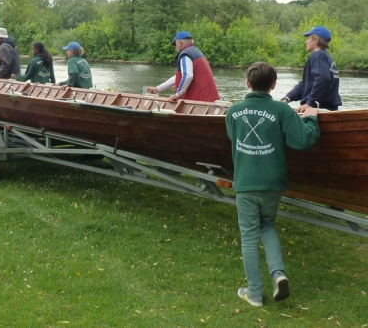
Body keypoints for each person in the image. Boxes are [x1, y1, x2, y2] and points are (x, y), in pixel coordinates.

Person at [226, 62, 320, 308]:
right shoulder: (282, 110)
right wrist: (312, 119)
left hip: (246, 182)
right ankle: (278, 274)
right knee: (267, 226)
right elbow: (302, 141)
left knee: (248, 236)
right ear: (274, 84)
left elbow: (234, 138)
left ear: (247, 83)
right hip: (273, 182)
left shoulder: (233, 111)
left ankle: (255, 294)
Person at [146, 31, 220, 102]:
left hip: (200, 101)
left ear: (179, 43)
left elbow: (188, 76)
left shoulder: (185, 54)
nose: (176, 48)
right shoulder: (196, 51)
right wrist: (158, 89)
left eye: (175, 45)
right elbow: (180, 77)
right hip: (211, 99)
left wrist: (178, 94)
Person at [281, 26, 341, 111]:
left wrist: (310, 103)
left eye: (308, 38)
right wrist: (287, 98)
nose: (306, 42)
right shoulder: (327, 57)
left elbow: (323, 79)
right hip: (329, 109)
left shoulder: (316, 56)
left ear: (316, 41)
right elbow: (305, 84)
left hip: (317, 111)